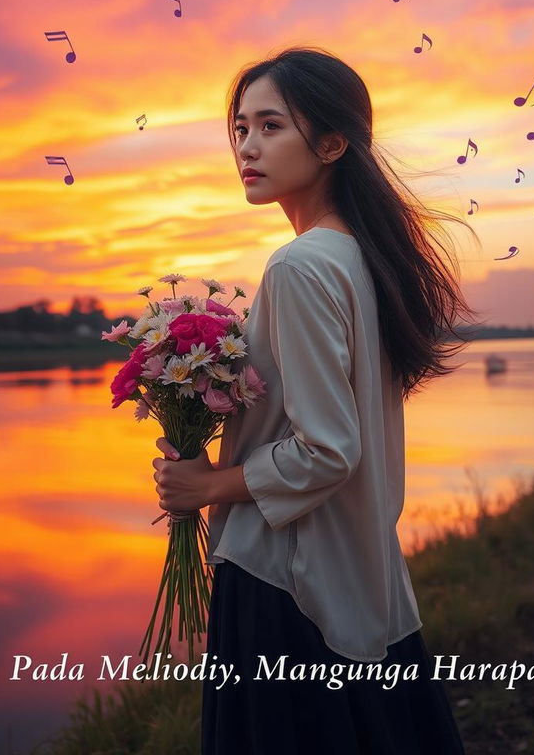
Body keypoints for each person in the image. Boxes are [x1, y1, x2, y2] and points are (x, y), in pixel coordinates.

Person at [153, 46, 482, 753]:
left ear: (332, 143)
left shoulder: (301, 266)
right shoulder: (364, 257)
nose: (246, 145)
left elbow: (328, 450)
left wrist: (211, 482)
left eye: (271, 126)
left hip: (287, 580)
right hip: (359, 568)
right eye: (240, 127)